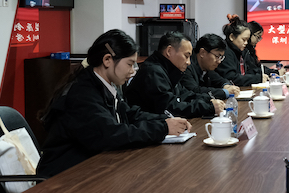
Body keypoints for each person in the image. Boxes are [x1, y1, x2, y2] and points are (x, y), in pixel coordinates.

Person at [37, 29, 190, 177]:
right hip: (64, 177)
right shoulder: (82, 94)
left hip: (90, 169)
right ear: (107, 60)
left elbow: (129, 114)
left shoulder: (104, 86)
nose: (133, 71)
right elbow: (111, 134)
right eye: (129, 64)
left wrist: (166, 121)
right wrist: (162, 128)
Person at [125, 32, 225, 118]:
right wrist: (208, 107)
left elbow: (184, 94)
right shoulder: (153, 72)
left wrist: (209, 100)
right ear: (169, 51)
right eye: (186, 56)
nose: (188, 62)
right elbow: (170, 108)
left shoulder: (169, 69)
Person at [179, 34, 240, 99]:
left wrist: (226, 85)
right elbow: (194, 91)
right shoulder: (186, 66)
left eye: (221, 57)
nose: (219, 61)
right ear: (202, 53)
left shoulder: (207, 68)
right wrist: (224, 92)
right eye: (217, 56)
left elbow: (219, 80)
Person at [215, 16, 269, 86]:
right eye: (244, 39)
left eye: (247, 40)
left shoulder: (242, 51)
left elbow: (249, 71)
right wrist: (257, 79)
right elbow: (232, 78)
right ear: (232, 37)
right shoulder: (225, 52)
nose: (246, 43)